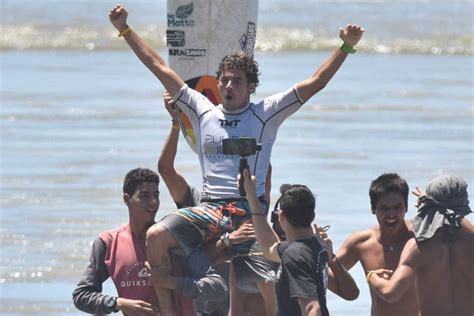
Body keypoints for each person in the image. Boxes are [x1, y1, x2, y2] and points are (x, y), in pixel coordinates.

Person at [109, 5, 364, 314]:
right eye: (225, 80)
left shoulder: (265, 113)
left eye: (237, 81)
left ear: (251, 87)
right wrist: (125, 30)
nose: (229, 86)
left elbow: (316, 82)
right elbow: (158, 65)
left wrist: (346, 46)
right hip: (209, 209)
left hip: (249, 212)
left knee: (270, 282)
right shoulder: (202, 110)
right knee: (156, 236)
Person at [158, 93, 273, 316]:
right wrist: (175, 122)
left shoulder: (255, 205)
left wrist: (243, 121)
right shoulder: (195, 203)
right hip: (201, 306)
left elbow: (264, 170)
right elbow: (165, 170)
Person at [72, 168, 227, 315]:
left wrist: (169, 281)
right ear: (127, 199)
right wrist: (118, 303)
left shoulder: (173, 239)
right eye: (144, 196)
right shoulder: (108, 243)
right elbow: (82, 295)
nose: (153, 202)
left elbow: (218, 288)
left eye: (156, 195)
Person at [242, 169, 358, 316]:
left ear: (281, 215)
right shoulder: (316, 245)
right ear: (312, 215)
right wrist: (252, 198)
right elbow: (269, 247)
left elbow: (312, 308)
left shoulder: (294, 255)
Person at [368, 174, 473, 316]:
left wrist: (372, 276)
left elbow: (390, 293)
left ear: (430, 204)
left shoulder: (417, 247)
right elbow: (455, 219)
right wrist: (436, 205)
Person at [327, 173, 419, 316]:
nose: (391, 214)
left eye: (397, 207)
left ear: (406, 207)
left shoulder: (421, 239)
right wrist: (322, 255)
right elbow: (328, 275)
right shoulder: (361, 243)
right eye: (384, 208)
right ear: (373, 208)